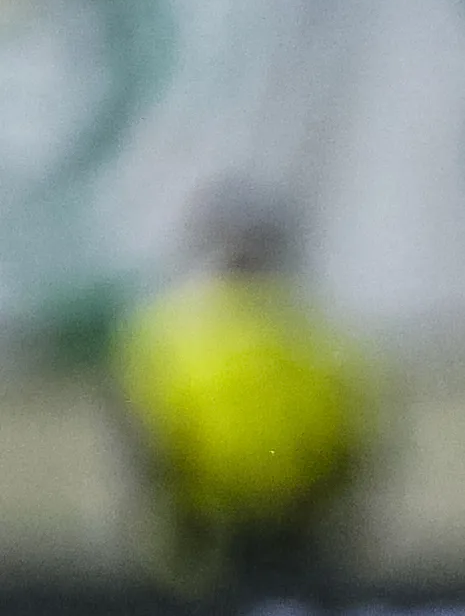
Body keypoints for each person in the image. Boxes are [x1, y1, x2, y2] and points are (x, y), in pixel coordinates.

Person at [111, 196, 375, 590]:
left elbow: (347, 434)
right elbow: (150, 434)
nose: (243, 255)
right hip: (220, 521)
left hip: (287, 521)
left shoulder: (308, 331)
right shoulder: (176, 334)